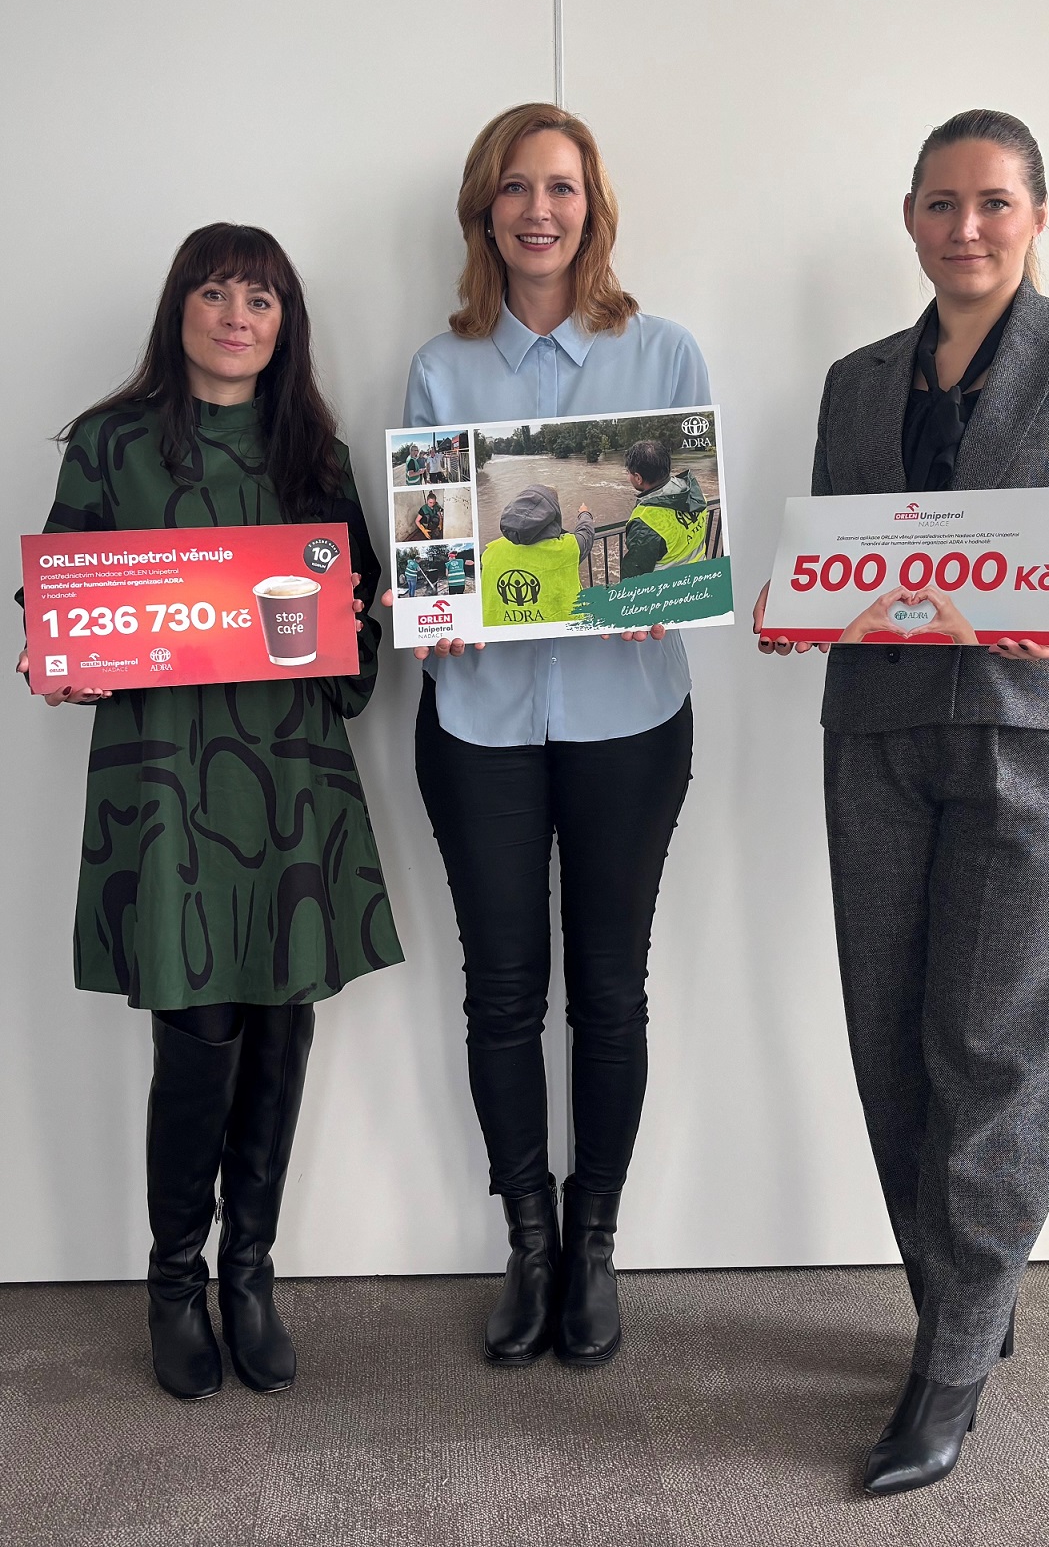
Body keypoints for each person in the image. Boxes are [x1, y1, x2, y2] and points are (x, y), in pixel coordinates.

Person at [754, 110, 1049, 1495]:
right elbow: (848, 549)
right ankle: (962, 1300)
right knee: (890, 1041)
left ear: (1036, 215)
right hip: (879, 738)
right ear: (909, 219)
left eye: (993, 201)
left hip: (1036, 741)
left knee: (997, 1053)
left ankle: (947, 1366)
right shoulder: (854, 381)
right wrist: (797, 603)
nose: (966, 227)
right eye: (941, 203)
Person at [17, 222, 402, 1403]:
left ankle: (250, 1273)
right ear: (178, 307)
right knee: (194, 1033)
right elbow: (60, 597)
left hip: (290, 774)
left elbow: (357, 624)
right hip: (166, 782)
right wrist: (55, 655)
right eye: (217, 292)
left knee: (280, 1023)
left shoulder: (315, 454)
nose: (238, 316)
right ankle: (173, 1281)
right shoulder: (110, 442)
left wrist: (375, 619)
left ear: (286, 326)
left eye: (262, 300)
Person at [388, 102, 709, 1368]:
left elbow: (685, 524)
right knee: (503, 993)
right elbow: (430, 551)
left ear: (592, 207)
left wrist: (671, 576)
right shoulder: (440, 367)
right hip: (481, 725)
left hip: (630, 715)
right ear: (485, 210)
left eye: (561, 187)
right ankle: (528, 1240)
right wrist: (435, 611)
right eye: (515, 187)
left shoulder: (663, 352)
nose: (539, 210)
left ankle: (595, 1240)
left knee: (611, 993)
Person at [480, 485, 587, 625]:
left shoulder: (491, 551)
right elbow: (586, 532)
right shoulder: (568, 548)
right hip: (561, 629)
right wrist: (584, 514)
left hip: (505, 630)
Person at [615, 439, 709, 579]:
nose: (628, 476)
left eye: (629, 473)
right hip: (702, 576)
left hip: (671, 588)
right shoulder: (693, 492)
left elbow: (633, 579)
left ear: (638, 478)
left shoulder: (645, 522)